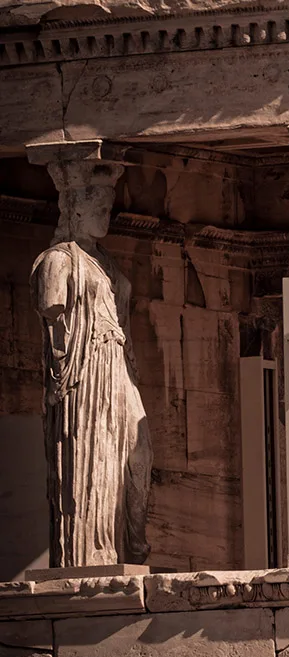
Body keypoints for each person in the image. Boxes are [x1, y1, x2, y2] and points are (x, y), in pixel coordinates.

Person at [31, 159, 151, 567]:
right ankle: (91, 554)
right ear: (75, 210)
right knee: (95, 455)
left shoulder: (106, 261)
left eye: (109, 209)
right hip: (85, 373)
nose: (106, 216)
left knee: (139, 452)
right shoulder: (59, 259)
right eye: (99, 208)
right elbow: (51, 308)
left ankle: (134, 539)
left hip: (117, 365)